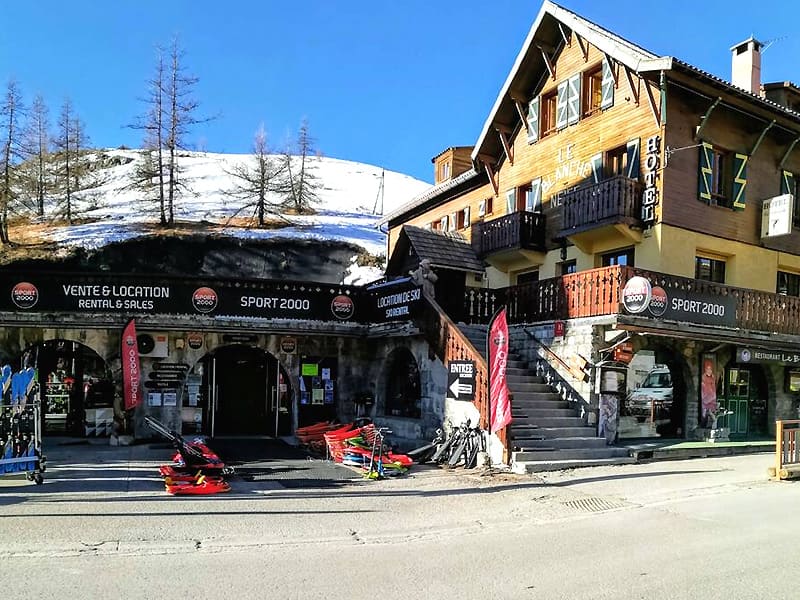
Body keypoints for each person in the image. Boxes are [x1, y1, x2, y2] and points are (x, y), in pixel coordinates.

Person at [700, 358, 717, 428]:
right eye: (708, 369)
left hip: (711, 398)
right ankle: (704, 423)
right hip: (705, 398)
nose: (709, 371)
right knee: (704, 412)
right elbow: (703, 388)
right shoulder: (703, 377)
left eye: (710, 369)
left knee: (711, 412)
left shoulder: (713, 377)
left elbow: (713, 387)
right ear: (705, 369)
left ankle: (711, 425)